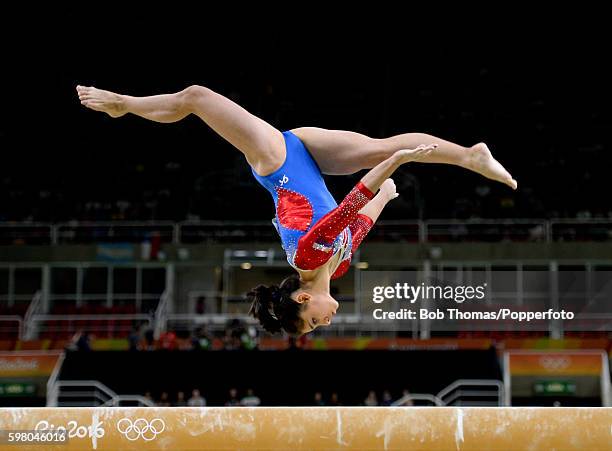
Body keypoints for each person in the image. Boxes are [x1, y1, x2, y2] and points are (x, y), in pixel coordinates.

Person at [77, 84, 517, 336]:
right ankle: (469, 156)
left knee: (196, 96)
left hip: (279, 163)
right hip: (308, 152)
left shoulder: (306, 258)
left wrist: (392, 169)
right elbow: (360, 223)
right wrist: (386, 196)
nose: (324, 323)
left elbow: (348, 207)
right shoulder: (338, 266)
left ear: (303, 297)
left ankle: (125, 105)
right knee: (379, 147)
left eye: (312, 322)